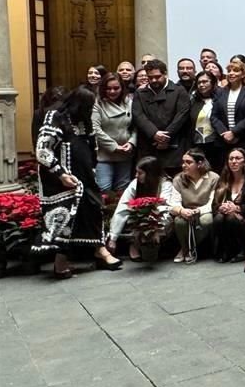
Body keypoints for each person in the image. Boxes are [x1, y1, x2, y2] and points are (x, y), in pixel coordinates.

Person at [34, 87, 123, 277]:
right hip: (59, 179)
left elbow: (92, 144)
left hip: (85, 175)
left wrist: (92, 167)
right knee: (66, 218)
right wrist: (60, 173)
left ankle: (100, 250)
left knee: (93, 209)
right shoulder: (55, 116)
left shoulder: (85, 119)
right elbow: (42, 150)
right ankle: (61, 261)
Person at [108, 156, 174, 260]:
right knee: (132, 214)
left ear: (150, 174)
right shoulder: (135, 183)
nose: (136, 175)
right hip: (138, 218)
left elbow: (165, 209)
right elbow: (122, 207)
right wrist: (113, 238)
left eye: (140, 173)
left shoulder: (165, 184)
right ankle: (134, 244)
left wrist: (155, 229)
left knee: (167, 218)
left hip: (158, 220)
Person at [133, 59, 191, 172]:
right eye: (150, 77)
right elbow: (138, 115)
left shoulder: (179, 91)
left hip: (174, 145)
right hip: (149, 146)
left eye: (157, 76)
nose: (154, 80)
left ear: (165, 73)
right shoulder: (140, 93)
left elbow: (182, 115)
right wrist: (154, 133)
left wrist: (165, 137)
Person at [168, 149, 219, 264]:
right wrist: (182, 211)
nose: (184, 165)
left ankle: (190, 248)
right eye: (183, 162)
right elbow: (173, 203)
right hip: (186, 211)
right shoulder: (178, 179)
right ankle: (184, 248)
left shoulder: (213, 178)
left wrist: (198, 211)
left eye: (188, 162)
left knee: (206, 220)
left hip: (205, 211)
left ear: (199, 163)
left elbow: (213, 203)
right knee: (179, 221)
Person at [211, 59, 245, 170]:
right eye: (229, 71)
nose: (231, 73)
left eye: (236, 71)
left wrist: (234, 132)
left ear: (243, 74)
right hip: (224, 142)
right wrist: (225, 133)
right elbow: (214, 116)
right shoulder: (220, 92)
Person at [212, 148, 245, 263]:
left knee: (232, 217)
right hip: (225, 216)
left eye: (238, 158)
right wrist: (221, 207)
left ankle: (243, 250)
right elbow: (214, 205)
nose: (234, 161)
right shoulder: (223, 179)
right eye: (231, 159)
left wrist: (237, 208)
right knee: (219, 217)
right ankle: (226, 250)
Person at [92, 73, 136, 192]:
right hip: (105, 155)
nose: (112, 91)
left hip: (126, 154)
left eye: (116, 88)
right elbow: (95, 129)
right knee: (104, 188)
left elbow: (135, 126)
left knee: (123, 190)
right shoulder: (97, 104)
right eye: (108, 88)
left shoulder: (128, 102)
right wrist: (114, 146)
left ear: (122, 88)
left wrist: (132, 143)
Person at [189, 71, 223, 172]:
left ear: (213, 83)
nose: (201, 85)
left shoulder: (222, 98)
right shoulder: (192, 101)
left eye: (204, 82)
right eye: (199, 83)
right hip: (198, 144)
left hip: (217, 144)